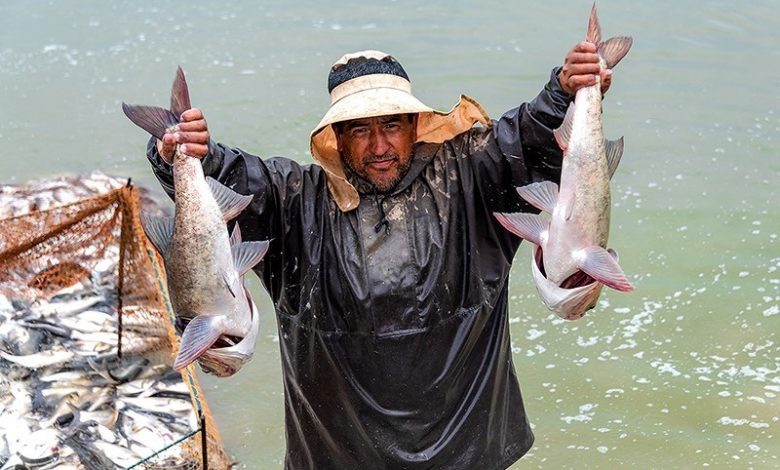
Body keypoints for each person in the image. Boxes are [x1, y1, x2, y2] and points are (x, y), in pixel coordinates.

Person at [146, 42, 612, 469]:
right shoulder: (294, 203)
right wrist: (181, 152)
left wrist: (566, 89)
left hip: (470, 455)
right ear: (337, 137)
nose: (379, 146)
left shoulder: (473, 178)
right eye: (360, 130)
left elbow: (528, 141)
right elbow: (224, 184)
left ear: (414, 125)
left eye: (391, 125)